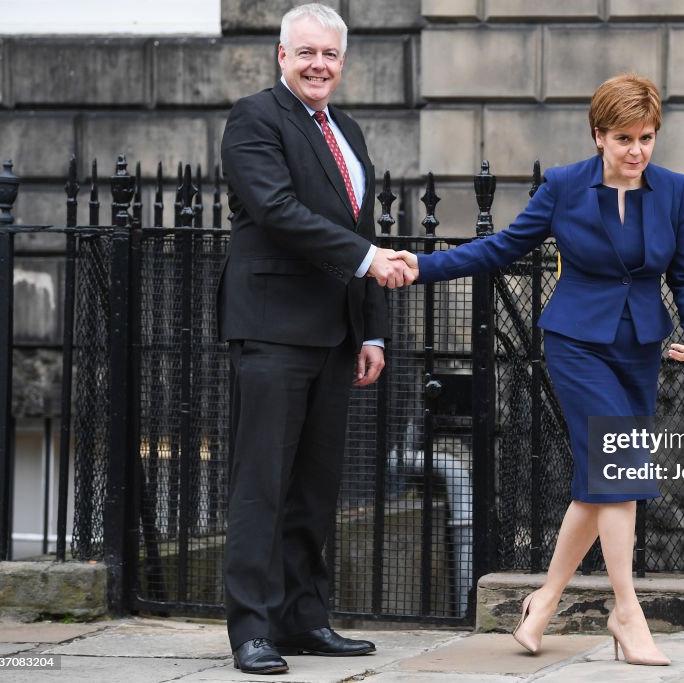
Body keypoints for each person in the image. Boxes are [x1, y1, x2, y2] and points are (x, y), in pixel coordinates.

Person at [402, 74, 684, 666]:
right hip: (576, 342)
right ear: (599, 135)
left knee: (599, 484)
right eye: (623, 138)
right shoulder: (565, 187)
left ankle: (544, 601)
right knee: (621, 466)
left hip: (640, 347)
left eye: (646, 137)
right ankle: (627, 611)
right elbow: (500, 249)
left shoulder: (674, 192)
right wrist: (421, 267)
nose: (636, 151)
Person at [218, 3, 414, 675]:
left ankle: (303, 618)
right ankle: (250, 628)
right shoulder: (253, 119)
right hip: (272, 329)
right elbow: (277, 211)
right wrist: (367, 261)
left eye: (330, 55)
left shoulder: (347, 130)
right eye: (306, 53)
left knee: (314, 487)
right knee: (261, 485)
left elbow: (360, 228)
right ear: (280, 55)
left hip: (335, 335)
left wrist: (374, 333)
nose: (318, 65)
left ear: (343, 62)